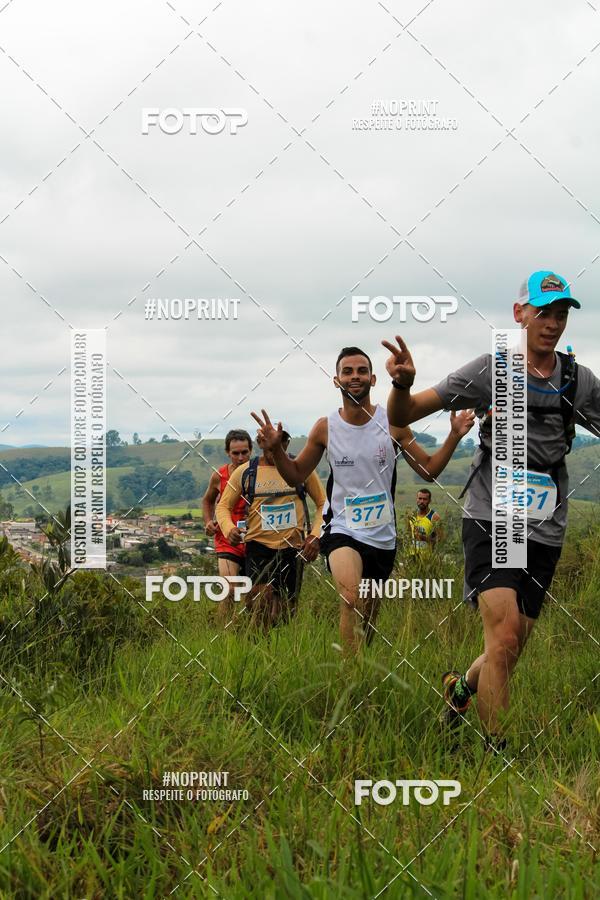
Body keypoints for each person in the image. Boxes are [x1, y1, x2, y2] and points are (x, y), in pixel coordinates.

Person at [383, 270, 600, 750]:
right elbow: (403, 415)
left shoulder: (578, 380)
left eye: (561, 313)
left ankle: (460, 689)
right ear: (519, 313)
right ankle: (497, 755)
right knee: (501, 639)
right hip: (491, 517)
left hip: (545, 528)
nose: (553, 322)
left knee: (509, 648)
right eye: (543, 311)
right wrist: (403, 385)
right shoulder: (490, 370)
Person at [251, 346, 475, 653]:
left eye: (360, 371)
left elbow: (429, 470)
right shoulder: (325, 428)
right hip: (342, 529)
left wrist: (454, 436)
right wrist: (276, 450)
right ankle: (350, 678)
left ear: (372, 379)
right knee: (350, 599)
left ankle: (361, 663)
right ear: (336, 380)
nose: (354, 377)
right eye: (347, 371)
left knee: (366, 617)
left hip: (382, 536)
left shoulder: (393, 423)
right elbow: (296, 475)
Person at [216, 424, 325, 630]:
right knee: (259, 607)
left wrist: (315, 535)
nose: (277, 451)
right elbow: (223, 506)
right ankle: (257, 650)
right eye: (271, 446)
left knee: (286, 614)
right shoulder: (246, 472)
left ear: (287, 443)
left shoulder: (301, 469)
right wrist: (228, 528)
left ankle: (279, 651)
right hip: (258, 547)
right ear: (261, 444)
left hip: (292, 549)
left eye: (281, 445)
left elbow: (323, 504)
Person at [202, 429, 252, 623]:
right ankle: (224, 634)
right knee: (229, 589)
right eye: (235, 453)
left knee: (252, 594)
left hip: (255, 538)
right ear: (227, 453)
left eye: (245, 452)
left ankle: (250, 634)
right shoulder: (219, 476)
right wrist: (208, 521)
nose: (240, 457)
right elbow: (207, 501)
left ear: (251, 450)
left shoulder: (260, 474)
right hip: (227, 539)